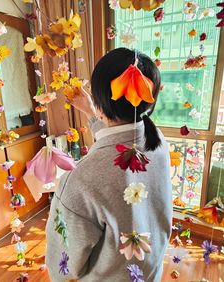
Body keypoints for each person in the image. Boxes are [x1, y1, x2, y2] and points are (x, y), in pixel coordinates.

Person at [45, 47, 172, 282]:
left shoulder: (79, 181)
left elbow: (63, 265)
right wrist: (94, 112)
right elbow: (119, 138)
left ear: (102, 101)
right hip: (149, 273)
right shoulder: (158, 141)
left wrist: (97, 111)